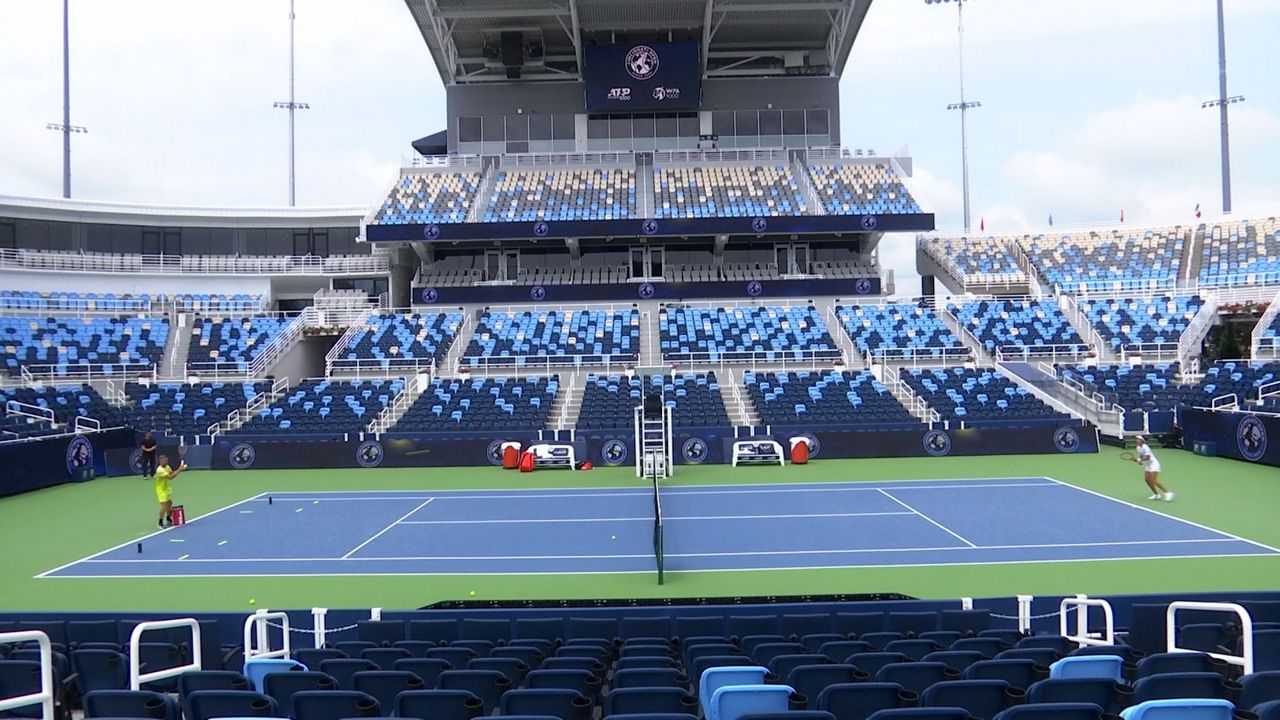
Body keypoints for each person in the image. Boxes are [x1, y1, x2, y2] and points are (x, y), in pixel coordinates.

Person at [1133, 436, 1173, 502]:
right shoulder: (1138, 448)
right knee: (1147, 479)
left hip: (1154, 464)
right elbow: (1141, 456)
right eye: (1136, 439)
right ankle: (1156, 494)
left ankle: (1168, 493)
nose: (1137, 440)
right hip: (1148, 465)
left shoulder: (1145, 447)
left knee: (1153, 480)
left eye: (1138, 439)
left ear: (1142, 440)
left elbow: (1148, 457)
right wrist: (1139, 461)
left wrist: (1139, 459)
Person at [153, 454, 187, 528]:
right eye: (165, 461)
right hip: (161, 490)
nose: (166, 461)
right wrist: (180, 469)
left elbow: (172, 473)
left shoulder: (167, 467)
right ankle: (160, 523)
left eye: (167, 460)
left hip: (167, 489)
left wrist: (180, 469)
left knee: (169, 504)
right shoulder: (160, 470)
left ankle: (169, 520)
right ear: (161, 461)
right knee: (164, 506)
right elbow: (170, 477)